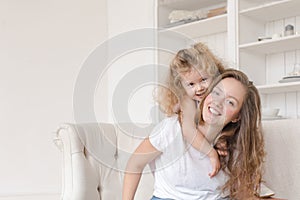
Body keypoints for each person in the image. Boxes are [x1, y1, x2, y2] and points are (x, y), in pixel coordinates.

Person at [122, 69, 265, 200]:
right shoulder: (172, 128)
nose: (218, 102)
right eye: (216, 92)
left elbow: (242, 192)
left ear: (237, 116)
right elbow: (134, 165)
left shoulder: (236, 144)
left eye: (230, 102)